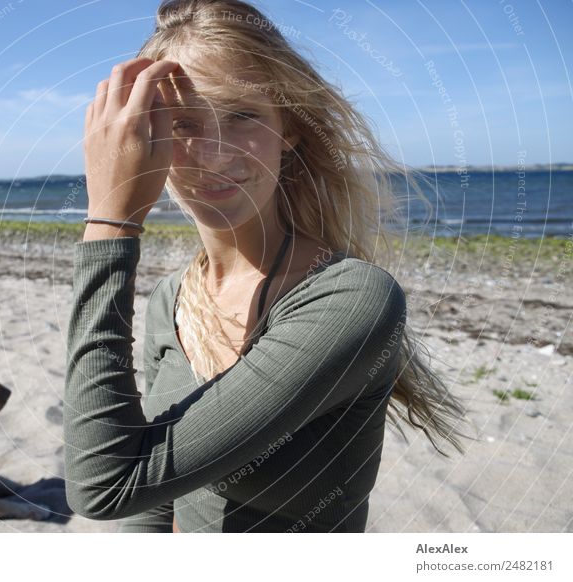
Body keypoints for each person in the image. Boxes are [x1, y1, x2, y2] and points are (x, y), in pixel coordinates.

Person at [64, 0, 472, 533]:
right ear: (148, 139)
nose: (213, 154)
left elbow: (104, 484)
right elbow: (152, 506)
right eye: (183, 121)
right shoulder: (174, 299)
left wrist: (111, 219)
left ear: (291, 131)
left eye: (242, 115)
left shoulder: (351, 300)